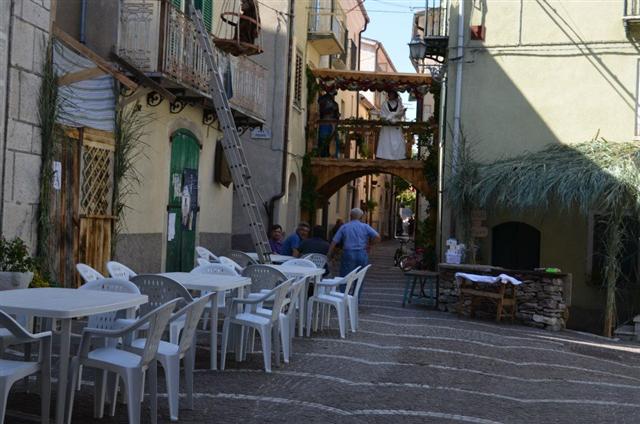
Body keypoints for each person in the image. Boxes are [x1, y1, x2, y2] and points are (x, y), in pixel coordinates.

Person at [328, 208, 380, 281]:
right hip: (362, 253)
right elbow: (377, 237)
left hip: (348, 253)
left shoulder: (344, 227)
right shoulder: (365, 226)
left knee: (345, 277)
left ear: (350, 216)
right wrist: (369, 245)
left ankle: (344, 288)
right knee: (359, 278)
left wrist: (329, 253)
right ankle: (357, 288)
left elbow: (334, 241)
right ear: (361, 217)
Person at [376, 91, 406, 160]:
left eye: (392, 93)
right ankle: (384, 156)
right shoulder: (384, 104)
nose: (391, 95)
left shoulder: (399, 104)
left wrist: (401, 113)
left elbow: (400, 115)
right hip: (387, 127)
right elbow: (382, 115)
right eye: (390, 93)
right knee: (386, 142)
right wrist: (387, 119)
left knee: (398, 142)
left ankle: (398, 157)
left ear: (395, 95)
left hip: (396, 127)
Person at [317, 89, 340, 157]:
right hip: (325, 124)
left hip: (330, 124)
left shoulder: (334, 104)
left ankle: (330, 155)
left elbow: (336, 116)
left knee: (332, 140)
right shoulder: (324, 100)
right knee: (324, 140)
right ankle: (325, 155)